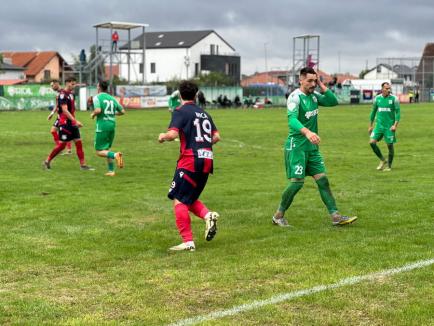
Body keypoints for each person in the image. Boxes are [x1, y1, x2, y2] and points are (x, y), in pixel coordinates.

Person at [272, 67, 357, 227]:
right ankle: (278, 215)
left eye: (315, 81)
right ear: (301, 80)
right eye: (310, 81)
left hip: (312, 148)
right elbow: (292, 120)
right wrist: (307, 132)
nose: (313, 84)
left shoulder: (315, 96)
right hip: (297, 146)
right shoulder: (295, 97)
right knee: (297, 183)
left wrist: (322, 85)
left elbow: (333, 101)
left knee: (323, 180)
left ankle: (336, 216)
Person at [158, 80, 221, 251]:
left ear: (179, 94)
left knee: (178, 198)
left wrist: (163, 136)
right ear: (196, 94)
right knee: (189, 198)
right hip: (207, 160)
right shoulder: (204, 113)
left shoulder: (180, 111)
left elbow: (172, 134)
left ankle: (188, 242)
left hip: (190, 160)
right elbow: (216, 137)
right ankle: (208, 215)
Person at [43, 77, 93, 171]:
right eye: (72, 84)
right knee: (62, 146)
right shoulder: (63, 95)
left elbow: (71, 110)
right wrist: (75, 121)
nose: (74, 86)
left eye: (74, 84)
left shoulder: (70, 94)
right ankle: (47, 161)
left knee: (79, 143)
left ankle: (83, 165)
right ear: (67, 83)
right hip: (65, 123)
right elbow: (65, 110)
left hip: (72, 123)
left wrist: (74, 121)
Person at [90, 80, 125, 176]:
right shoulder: (112, 98)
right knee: (106, 149)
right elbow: (122, 111)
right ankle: (111, 171)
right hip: (112, 125)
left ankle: (115, 155)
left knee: (99, 151)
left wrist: (93, 114)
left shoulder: (97, 97)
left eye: (97, 86)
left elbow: (98, 110)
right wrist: (112, 113)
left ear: (99, 87)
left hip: (102, 126)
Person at [368, 82, 400, 171]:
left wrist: (395, 125)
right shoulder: (377, 99)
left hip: (389, 127)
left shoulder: (394, 99)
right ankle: (383, 160)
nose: (388, 90)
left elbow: (398, 112)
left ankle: (389, 166)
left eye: (389, 88)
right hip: (379, 126)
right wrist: (370, 126)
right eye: (386, 88)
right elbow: (373, 112)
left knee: (389, 145)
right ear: (382, 89)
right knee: (372, 143)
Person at [47, 80, 72, 154]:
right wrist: (52, 113)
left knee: (61, 132)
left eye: (52, 85)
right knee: (55, 131)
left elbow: (64, 105)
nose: (51, 87)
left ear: (57, 84)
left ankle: (61, 148)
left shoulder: (62, 92)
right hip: (60, 116)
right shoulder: (59, 93)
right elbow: (57, 105)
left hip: (63, 116)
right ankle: (64, 148)